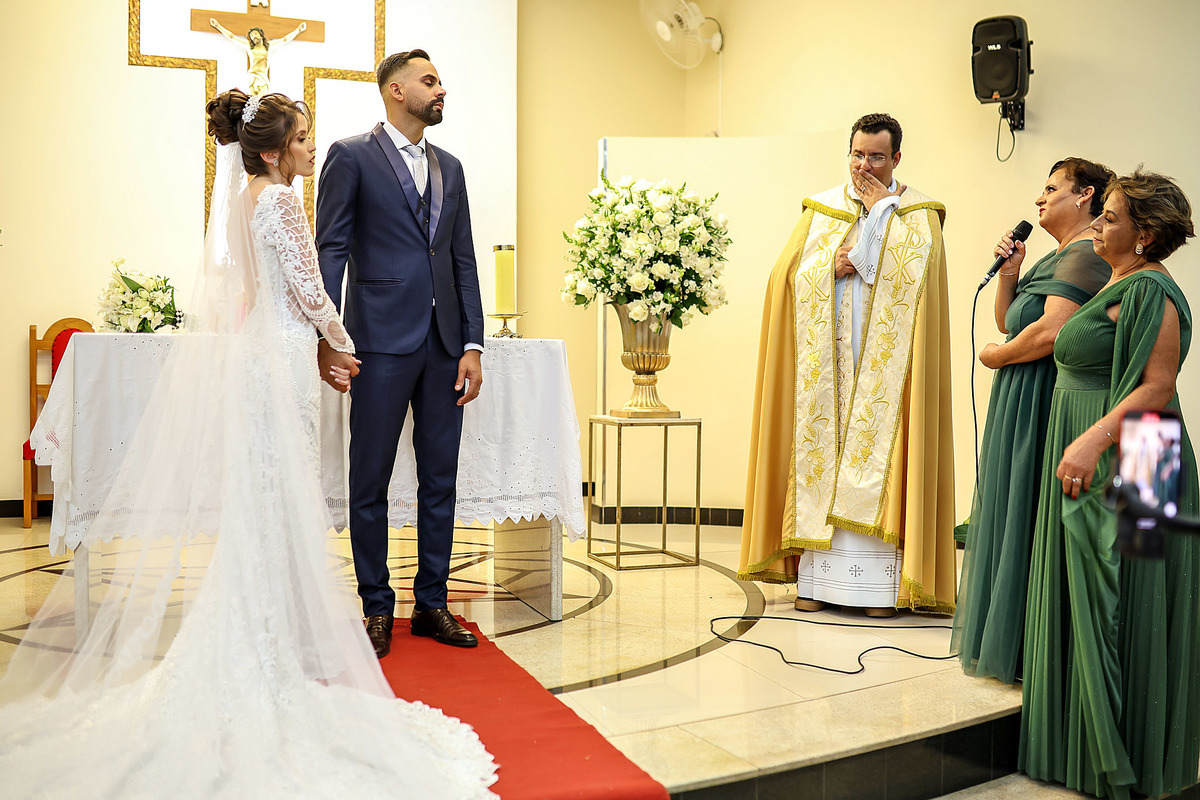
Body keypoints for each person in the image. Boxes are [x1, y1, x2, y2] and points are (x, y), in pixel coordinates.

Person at [0, 89, 498, 798]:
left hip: (265, 353)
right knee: (279, 496)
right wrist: (342, 342)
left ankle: (263, 633)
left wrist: (323, 336)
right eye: (301, 138)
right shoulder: (281, 201)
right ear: (271, 151)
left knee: (265, 500)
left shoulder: (243, 199)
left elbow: (263, 290)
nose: (310, 147)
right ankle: (273, 643)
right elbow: (310, 289)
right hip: (284, 360)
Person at [1020, 169, 1198, 799]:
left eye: (1111, 218)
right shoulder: (1121, 280)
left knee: (1125, 604)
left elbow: (1157, 387)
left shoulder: (1151, 288)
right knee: (1095, 600)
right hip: (1108, 445)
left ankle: (1126, 759)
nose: (1097, 225)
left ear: (1144, 235)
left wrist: (1092, 440)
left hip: (1137, 452)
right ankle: (1086, 752)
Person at [738, 113, 957, 616]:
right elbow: (784, 277)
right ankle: (816, 584)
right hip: (828, 365)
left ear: (896, 158)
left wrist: (882, 214)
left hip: (885, 372)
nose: (864, 166)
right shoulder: (822, 208)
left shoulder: (918, 215)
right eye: (857, 155)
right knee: (822, 458)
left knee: (879, 459)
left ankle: (877, 591)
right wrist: (826, 269)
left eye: (876, 157)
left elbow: (918, 283)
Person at [316, 50, 485, 656]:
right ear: (395, 90)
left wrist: (472, 343)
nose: (441, 90)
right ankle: (376, 606)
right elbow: (331, 250)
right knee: (370, 477)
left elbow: (462, 259)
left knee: (441, 477)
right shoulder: (351, 156)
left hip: (444, 347)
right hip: (379, 343)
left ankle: (432, 604)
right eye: (429, 81)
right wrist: (328, 338)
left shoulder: (451, 167)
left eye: (440, 81)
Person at [952, 158, 1113, 684]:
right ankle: (1013, 636)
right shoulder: (1056, 255)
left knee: (1029, 509)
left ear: (1085, 195)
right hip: (1019, 393)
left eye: (1050, 188)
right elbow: (1010, 319)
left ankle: (1030, 647)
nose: (1039, 199)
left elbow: (1051, 331)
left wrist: (994, 357)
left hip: (1042, 394)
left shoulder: (1085, 253)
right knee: (1013, 506)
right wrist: (1011, 273)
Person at [209, 18, 306, 94]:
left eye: (255, 34)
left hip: (263, 77)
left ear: (261, 35)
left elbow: (284, 39)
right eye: (251, 36)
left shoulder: (269, 46)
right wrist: (218, 26)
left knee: (262, 100)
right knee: (252, 100)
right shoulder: (249, 46)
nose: (253, 36)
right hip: (252, 76)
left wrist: (298, 30)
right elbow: (232, 37)